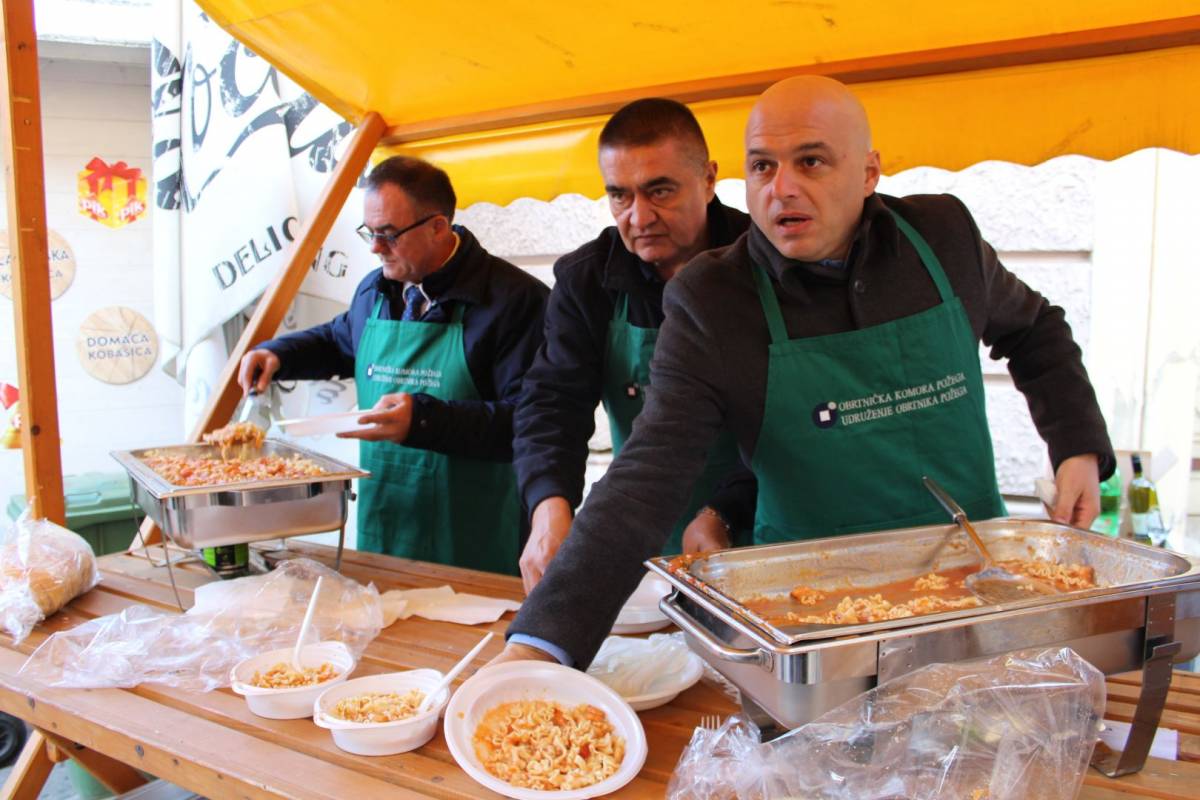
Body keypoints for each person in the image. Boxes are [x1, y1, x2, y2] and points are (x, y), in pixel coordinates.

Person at [493, 76, 1114, 668]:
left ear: (869, 171)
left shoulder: (943, 238)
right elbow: (646, 474)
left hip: (976, 585)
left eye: (811, 162)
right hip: (805, 613)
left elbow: (1034, 329)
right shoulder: (715, 297)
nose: (781, 187)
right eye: (762, 166)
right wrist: (540, 643)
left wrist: (1078, 446)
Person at [238, 156, 548, 574]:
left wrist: (422, 420)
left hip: (477, 536)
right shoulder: (376, 290)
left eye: (388, 234)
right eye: (369, 232)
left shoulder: (515, 301)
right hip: (387, 524)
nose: (374, 247)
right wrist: (279, 354)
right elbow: (339, 339)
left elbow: (530, 426)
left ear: (438, 227)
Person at [511, 98, 754, 594]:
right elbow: (553, 402)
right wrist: (549, 504)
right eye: (620, 196)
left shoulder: (765, 266)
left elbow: (795, 418)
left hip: (763, 524)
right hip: (647, 529)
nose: (639, 216)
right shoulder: (587, 280)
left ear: (708, 179)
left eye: (659, 191)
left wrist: (724, 510)